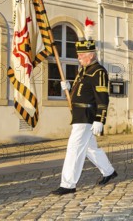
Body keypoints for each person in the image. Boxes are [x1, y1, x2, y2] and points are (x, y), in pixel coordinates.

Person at [52, 35, 116, 195]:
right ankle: (109, 171)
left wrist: (100, 119)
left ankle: (68, 184)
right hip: (79, 115)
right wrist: (67, 87)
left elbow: (102, 98)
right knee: (89, 148)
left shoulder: (98, 72)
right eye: (79, 55)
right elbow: (81, 92)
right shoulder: (84, 71)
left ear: (91, 55)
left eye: (81, 56)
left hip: (87, 117)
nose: (78, 58)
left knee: (74, 148)